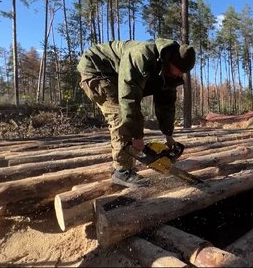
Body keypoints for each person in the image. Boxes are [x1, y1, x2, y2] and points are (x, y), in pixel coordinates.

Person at [77, 38, 196, 188]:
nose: (180, 75)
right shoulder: (142, 55)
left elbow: (166, 105)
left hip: (117, 75)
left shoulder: (170, 75)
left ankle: (124, 159)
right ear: (169, 61)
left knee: (129, 116)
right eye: (179, 70)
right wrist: (137, 136)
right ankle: (122, 171)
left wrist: (169, 135)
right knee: (120, 114)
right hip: (97, 70)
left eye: (183, 73)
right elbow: (128, 98)